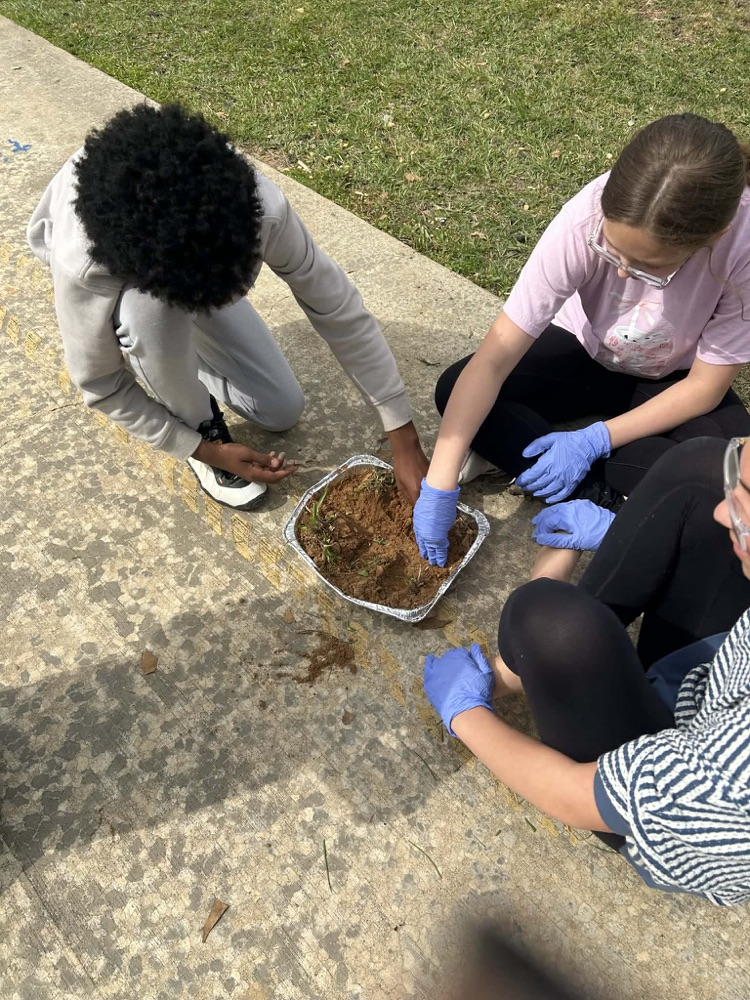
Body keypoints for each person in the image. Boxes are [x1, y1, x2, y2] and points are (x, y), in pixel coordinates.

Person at [28, 103, 428, 511]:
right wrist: (201, 448)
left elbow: (337, 306)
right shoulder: (83, 265)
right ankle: (194, 410)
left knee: (280, 410)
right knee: (147, 314)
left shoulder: (258, 207)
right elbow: (101, 384)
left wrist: (402, 432)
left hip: (187, 264)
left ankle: (180, 353)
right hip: (136, 282)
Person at [423, 435, 750, 904]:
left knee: (548, 624)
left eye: (746, 507)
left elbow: (576, 798)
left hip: (671, 812)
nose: (727, 513)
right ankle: (536, 660)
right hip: (717, 680)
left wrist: (465, 714)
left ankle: (524, 668)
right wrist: (636, 535)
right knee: (703, 466)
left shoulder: (738, 771)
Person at [413, 113, 750, 566]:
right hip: (583, 349)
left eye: (649, 266)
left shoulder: (742, 248)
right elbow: (495, 359)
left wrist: (595, 439)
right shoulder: (584, 217)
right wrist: (439, 481)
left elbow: (705, 387)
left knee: (734, 480)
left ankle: (600, 487)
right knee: (457, 388)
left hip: (675, 378)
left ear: (713, 237)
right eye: (611, 250)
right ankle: (616, 495)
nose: (622, 273)